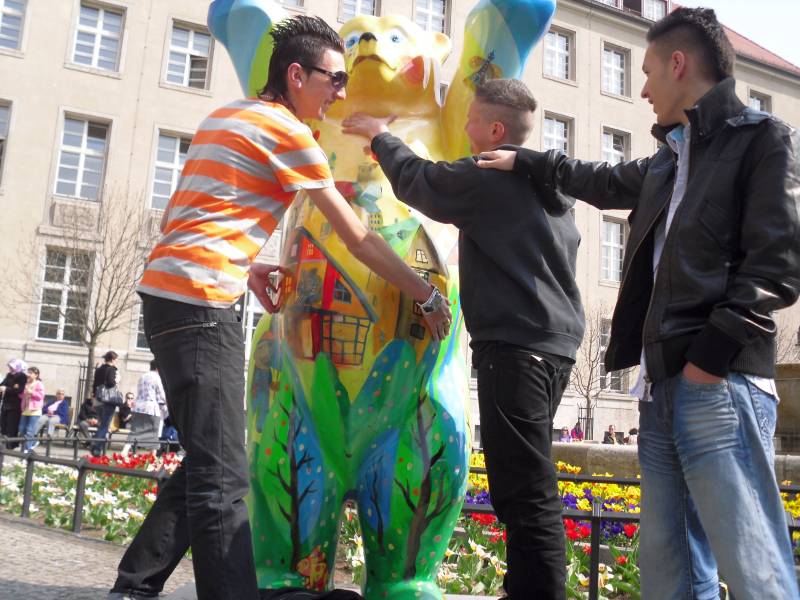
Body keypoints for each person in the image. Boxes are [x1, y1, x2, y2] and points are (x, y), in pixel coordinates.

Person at [110, 15, 452, 600]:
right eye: (334, 79)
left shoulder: (225, 116)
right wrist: (425, 293)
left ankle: (135, 585)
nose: (340, 93)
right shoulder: (291, 134)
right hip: (201, 303)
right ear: (297, 75)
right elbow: (358, 238)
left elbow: (181, 217)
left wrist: (247, 267)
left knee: (206, 457)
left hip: (166, 294)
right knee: (225, 477)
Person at [477, 8, 800, 599]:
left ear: (678, 64)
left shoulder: (761, 139)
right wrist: (525, 159)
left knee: (757, 573)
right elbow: (598, 180)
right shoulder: (668, 160)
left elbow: (776, 266)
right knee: (669, 574)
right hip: (660, 387)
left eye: (647, 72)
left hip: (719, 385)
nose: (643, 89)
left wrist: (708, 360)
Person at [342, 78, 584, 600]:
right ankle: (523, 588)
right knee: (525, 480)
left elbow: (420, 181)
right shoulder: (550, 187)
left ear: (495, 131)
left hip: (515, 348)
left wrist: (381, 135)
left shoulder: (490, 175)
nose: (465, 125)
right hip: (554, 344)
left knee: (525, 490)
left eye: (472, 118)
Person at [122, 361, 167, 456]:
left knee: (135, 431)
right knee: (154, 432)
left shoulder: (143, 376)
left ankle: (124, 451)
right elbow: (161, 395)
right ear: (158, 368)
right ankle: (153, 456)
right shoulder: (157, 377)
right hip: (151, 408)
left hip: (138, 407)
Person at [92, 350, 120, 457]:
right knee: (104, 425)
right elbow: (111, 382)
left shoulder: (99, 369)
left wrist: (94, 398)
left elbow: (94, 384)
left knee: (101, 424)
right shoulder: (112, 369)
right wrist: (117, 380)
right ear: (112, 359)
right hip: (108, 400)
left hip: (98, 399)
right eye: (116, 360)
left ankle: (98, 448)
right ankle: (96, 446)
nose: (116, 362)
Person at [0, 358, 27, 449]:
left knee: (12, 425)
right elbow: (3, 384)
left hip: (15, 405)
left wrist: (7, 389)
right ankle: (3, 443)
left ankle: (11, 444)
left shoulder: (22, 376)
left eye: (12, 367)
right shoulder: (9, 375)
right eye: (10, 367)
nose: (10, 368)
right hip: (6, 403)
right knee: (3, 424)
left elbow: (19, 390)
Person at [18, 366, 44, 453]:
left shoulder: (39, 384)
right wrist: (22, 393)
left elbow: (41, 396)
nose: (28, 374)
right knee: (22, 429)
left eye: (31, 373)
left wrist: (32, 392)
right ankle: (33, 442)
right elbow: (21, 396)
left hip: (35, 411)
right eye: (28, 372)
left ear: (36, 375)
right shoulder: (26, 384)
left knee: (29, 430)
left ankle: (26, 449)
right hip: (25, 409)